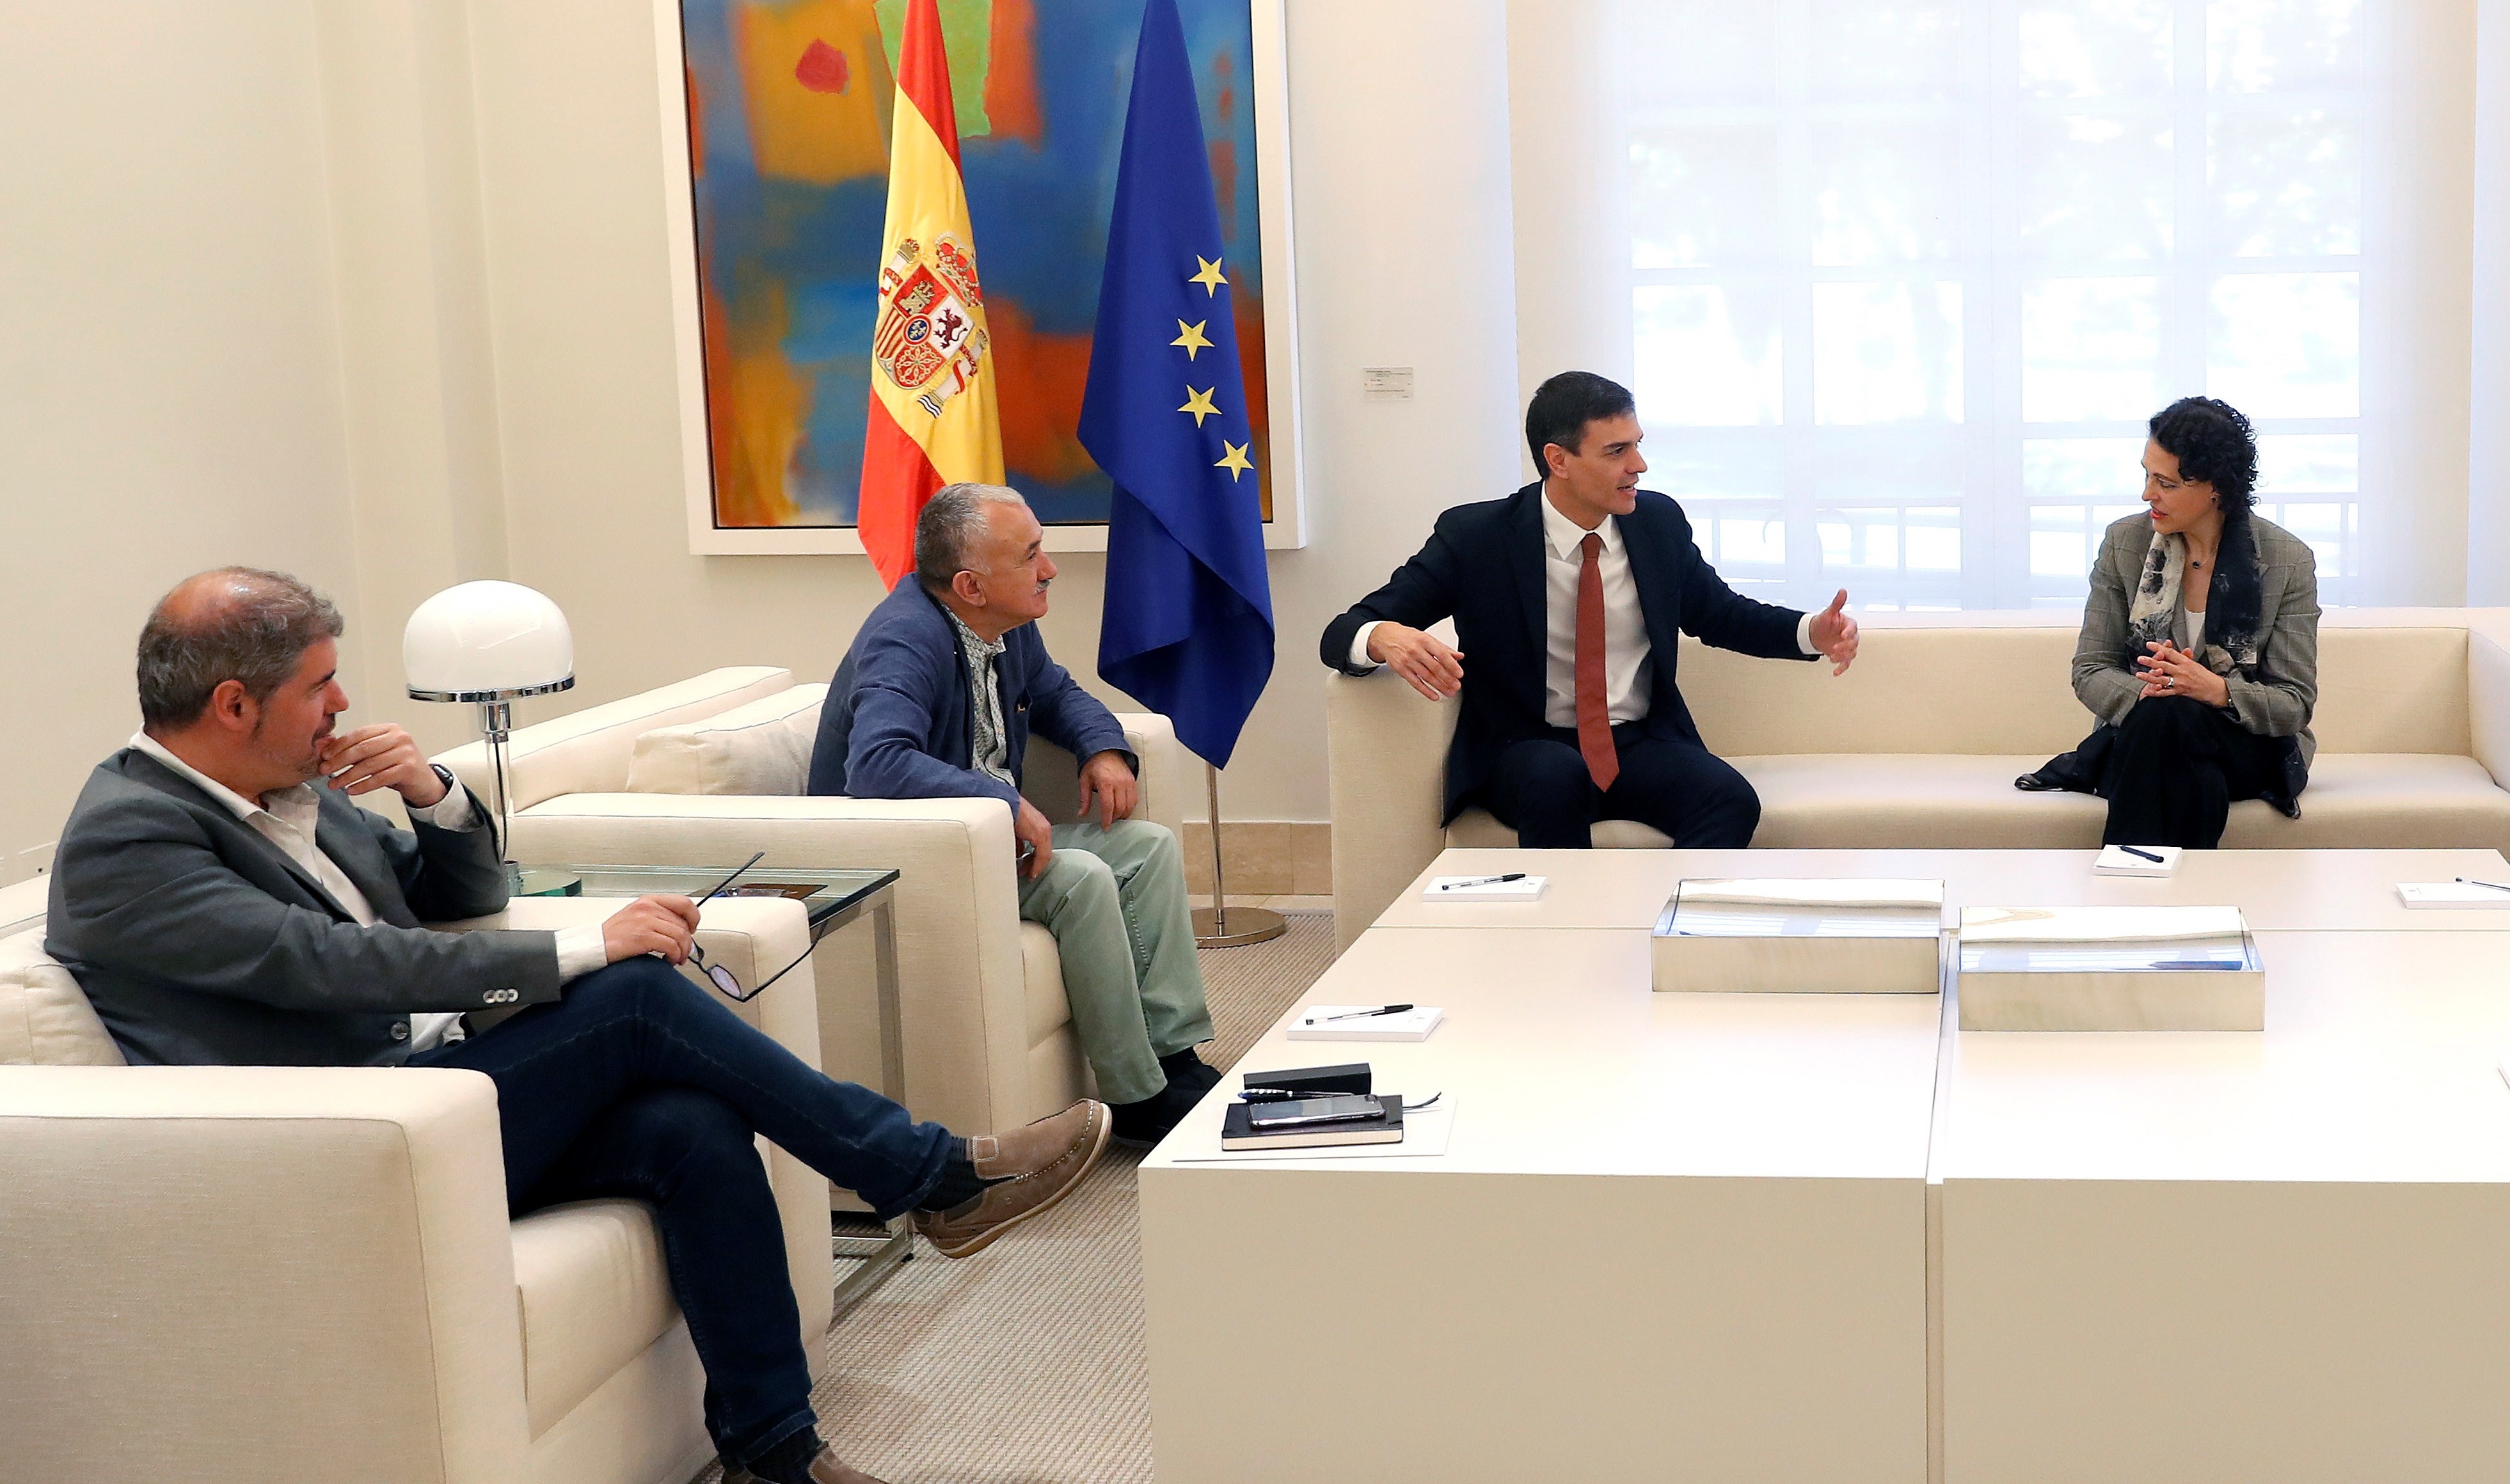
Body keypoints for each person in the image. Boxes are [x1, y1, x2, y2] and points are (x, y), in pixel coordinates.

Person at [49, 569, 1109, 1484]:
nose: (340, 705)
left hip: (440, 1096)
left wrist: (431, 790)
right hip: (338, 1152)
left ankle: (772, 1449)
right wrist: (590, 944)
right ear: (234, 704)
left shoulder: (285, 783)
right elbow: (334, 966)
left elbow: (461, 890)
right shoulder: (128, 839)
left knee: (689, 1127)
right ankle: (928, 1174)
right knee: (634, 996)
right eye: (318, 685)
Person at [810, 482, 1218, 1148]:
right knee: (1082, 878)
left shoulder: (1005, 627)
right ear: (971, 585)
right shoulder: (904, 639)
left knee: (1147, 846)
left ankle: (1175, 1058)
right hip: (917, 858)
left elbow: (1058, 692)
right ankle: (1137, 1096)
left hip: (989, 841)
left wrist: (1105, 748)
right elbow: (876, 764)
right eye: (1031, 555)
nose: (1050, 568)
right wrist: (1001, 799)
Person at [1319, 370, 1861, 848]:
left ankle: (1653, 928)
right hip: (1525, 748)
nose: (1639, 466)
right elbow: (1342, 630)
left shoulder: (1656, 523)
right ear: (1558, 460)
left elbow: (1717, 614)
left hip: (1637, 741)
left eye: (1638, 445)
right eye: (1616, 452)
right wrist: (1380, 636)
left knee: (1730, 800)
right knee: (1555, 776)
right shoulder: (1477, 537)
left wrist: (1811, 631)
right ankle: (1562, 948)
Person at [2030, 397, 2319, 849]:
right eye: (2146, 474)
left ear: (2215, 488)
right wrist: (2157, 692)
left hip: (2245, 747)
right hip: (2149, 734)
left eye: (2164, 482)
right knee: (2170, 722)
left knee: (2172, 721)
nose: (2148, 494)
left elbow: (2293, 703)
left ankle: (2130, 889)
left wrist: (2214, 690)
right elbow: (2090, 669)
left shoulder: (2285, 561)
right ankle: (2190, 901)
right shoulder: (2125, 544)